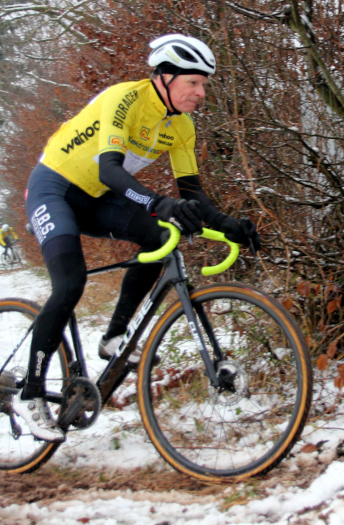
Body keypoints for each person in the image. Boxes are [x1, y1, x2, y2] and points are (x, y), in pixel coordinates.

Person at [16, 34, 261, 442]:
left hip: (93, 198)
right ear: (164, 78)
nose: (201, 93)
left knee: (159, 236)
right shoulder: (124, 99)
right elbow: (111, 171)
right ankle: (31, 393)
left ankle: (114, 337)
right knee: (70, 283)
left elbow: (193, 196)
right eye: (194, 83)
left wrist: (228, 224)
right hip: (52, 188)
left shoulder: (181, 127)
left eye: (204, 85)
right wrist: (157, 202)